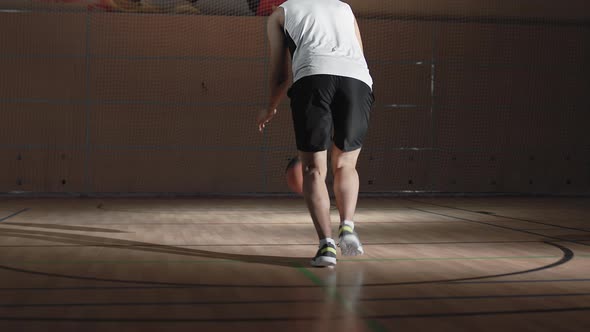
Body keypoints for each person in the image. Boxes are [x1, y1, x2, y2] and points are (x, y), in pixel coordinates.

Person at [256, 0, 374, 267]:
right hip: (357, 82)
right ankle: (347, 226)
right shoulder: (344, 8)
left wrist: (269, 108)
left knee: (313, 169)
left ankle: (327, 247)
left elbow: (279, 76)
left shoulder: (280, 14)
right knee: (345, 164)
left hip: (313, 77)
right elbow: (359, 55)